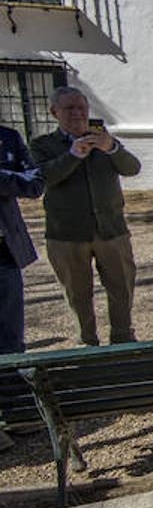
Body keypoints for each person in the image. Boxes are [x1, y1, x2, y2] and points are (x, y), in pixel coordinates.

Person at [29, 87, 140, 346]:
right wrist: (73, 155)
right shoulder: (42, 145)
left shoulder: (103, 140)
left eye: (81, 108)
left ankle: (123, 336)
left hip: (111, 229)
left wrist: (112, 147)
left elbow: (132, 168)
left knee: (121, 285)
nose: (77, 113)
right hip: (67, 233)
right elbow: (43, 178)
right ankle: (86, 340)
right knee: (78, 292)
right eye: (69, 108)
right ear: (54, 112)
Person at [1, 122, 44, 451]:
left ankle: (16, 411)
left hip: (5, 252)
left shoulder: (9, 137)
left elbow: (34, 184)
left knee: (11, 337)